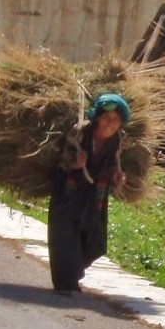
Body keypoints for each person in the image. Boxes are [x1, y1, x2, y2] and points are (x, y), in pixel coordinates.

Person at [48, 93, 130, 294]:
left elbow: (112, 165)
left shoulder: (118, 140)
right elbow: (61, 162)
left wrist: (118, 178)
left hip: (95, 196)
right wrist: (76, 164)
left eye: (115, 120)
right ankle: (66, 284)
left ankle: (73, 273)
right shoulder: (79, 133)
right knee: (65, 236)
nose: (109, 124)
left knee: (95, 240)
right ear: (97, 117)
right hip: (69, 192)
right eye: (106, 118)